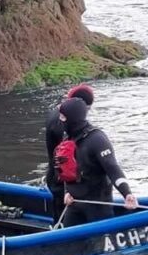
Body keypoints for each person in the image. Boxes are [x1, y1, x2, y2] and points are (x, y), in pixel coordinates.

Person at [57, 97, 138, 227]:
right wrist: (67, 191)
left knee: (99, 241)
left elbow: (112, 168)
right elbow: (68, 169)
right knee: (67, 244)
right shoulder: (69, 138)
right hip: (74, 204)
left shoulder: (97, 139)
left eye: (63, 117)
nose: (60, 120)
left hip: (97, 206)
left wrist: (127, 193)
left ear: (72, 118)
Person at [45, 83, 95, 225]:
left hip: (56, 175)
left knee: (60, 214)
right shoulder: (66, 123)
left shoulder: (58, 114)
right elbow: (68, 156)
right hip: (63, 179)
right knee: (64, 219)